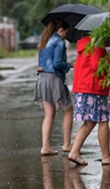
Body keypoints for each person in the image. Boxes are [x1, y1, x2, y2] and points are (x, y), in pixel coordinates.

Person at [68, 35, 110, 165]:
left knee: (89, 123)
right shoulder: (96, 45)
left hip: (84, 88)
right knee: (103, 121)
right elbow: (97, 66)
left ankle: (74, 152)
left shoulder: (86, 44)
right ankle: (106, 156)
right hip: (93, 89)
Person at [34, 20, 74, 155]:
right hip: (53, 78)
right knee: (68, 109)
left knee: (49, 114)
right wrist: (70, 65)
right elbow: (57, 63)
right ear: (61, 30)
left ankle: (45, 147)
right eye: (66, 32)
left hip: (42, 78)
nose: (66, 35)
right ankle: (67, 144)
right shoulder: (59, 42)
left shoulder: (45, 41)